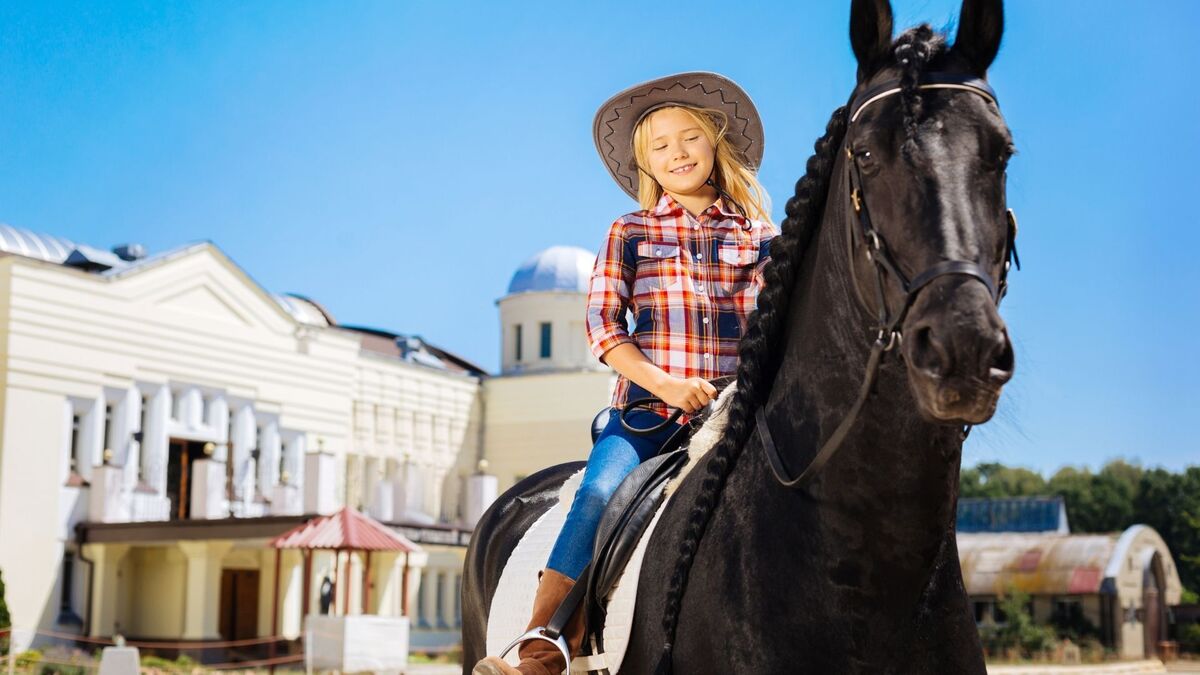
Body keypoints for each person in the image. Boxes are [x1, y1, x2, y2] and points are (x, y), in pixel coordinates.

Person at [473, 72, 776, 675]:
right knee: (597, 491)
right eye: (660, 145)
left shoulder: (762, 238)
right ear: (646, 164)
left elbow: (777, 329)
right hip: (648, 415)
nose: (677, 152)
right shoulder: (630, 232)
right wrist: (666, 385)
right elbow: (605, 331)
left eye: (689, 137)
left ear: (715, 143)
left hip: (738, 416)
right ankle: (545, 644)